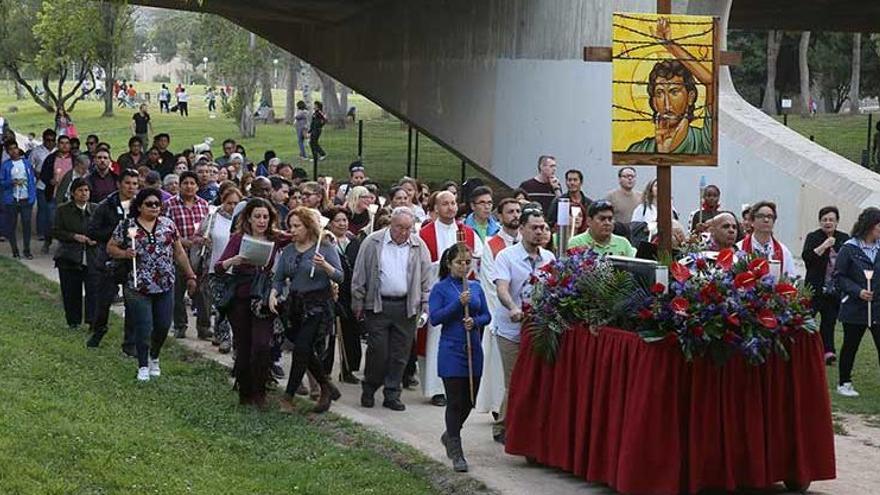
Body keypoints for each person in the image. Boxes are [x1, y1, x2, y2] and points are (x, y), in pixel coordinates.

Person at [107, 188, 198, 381]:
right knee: (144, 326)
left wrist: (190, 274)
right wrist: (125, 254)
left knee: (163, 325)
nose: (155, 207)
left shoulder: (168, 225)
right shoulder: (127, 226)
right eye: (149, 204)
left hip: (165, 283)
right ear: (139, 206)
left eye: (158, 204)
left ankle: (154, 356)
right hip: (138, 285)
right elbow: (111, 247)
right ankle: (142, 364)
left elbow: (179, 252)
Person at [352, 207, 432, 411]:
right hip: (378, 305)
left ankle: (392, 393)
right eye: (399, 227)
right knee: (378, 351)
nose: (403, 232)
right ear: (390, 224)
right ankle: (369, 388)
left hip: (406, 306)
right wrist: (358, 301)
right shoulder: (373, 242)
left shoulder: (418, 245)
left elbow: (426, 279)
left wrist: (424, 305)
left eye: (408, 228)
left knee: (400, 354)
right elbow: (360, 273)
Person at [492, 205, 555, 443]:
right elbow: (502, 288)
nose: (539, 233)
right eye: (534, 228)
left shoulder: (549, 257)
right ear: (521, 229)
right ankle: (504, 427)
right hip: (510, 329)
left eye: (543, 228)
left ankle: (519, 425)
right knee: (515, 379)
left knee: (529, 378)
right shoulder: (506, 256)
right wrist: (513, 308)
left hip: (537, 328)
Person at [271, 207, 345, 413]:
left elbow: (340, 276)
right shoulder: (289, 250)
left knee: (302, 348)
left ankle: (288, 396)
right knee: (304, 349)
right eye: (291, 226)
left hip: (317, 304)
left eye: (297, 226)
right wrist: (273, 293)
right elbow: (278, 278)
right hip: (294, 304)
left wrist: (326, 267)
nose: (293, 230)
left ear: (308, 226)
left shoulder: (325, 246)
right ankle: (326, 386)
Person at [214, 198, 285, 407]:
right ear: (249, 218)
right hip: (241, 296)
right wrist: (233, 261)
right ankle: (245, 392)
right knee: (243, 346)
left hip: (262, 297)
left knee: (262, 344)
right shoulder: (238, 238)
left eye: (265, 217)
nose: (262, 221)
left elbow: (299, 236)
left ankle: (260, 390)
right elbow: (219, 266)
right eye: (257, 217)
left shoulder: (275, 238)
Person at [430, 243, 491, 473]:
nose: (464, 267)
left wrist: (474, 321)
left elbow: (487, 315)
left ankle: (450, 433)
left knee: (470, 399)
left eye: (468, 262)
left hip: (473, 348)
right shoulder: (441, 289)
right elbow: (435, 317)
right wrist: (458, 305)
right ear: (449, 263)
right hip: (451, 350)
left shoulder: (476, 287)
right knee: (455, 400)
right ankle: (457, 449)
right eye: (459, 263)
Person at [419, 191, 483, 406]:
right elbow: (422, 263)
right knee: (436, 340)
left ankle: (461, 383)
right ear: (436, 208)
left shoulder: (469, 233)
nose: (450, 207)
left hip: (463, 288)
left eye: (454, 203)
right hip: (438, 291)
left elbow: (479, 262)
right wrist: (442, 265)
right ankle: (436, 389)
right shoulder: (425, 233)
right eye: (445, 204)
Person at [626, 18, 713, 154]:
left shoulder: (703, 142)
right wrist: (663, 152)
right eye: (659, 94)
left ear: (690, 97)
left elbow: (711, 82)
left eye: (674, 92)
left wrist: (670, 45)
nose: (667, 105)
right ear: (654, 102)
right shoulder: (638, 150)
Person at [86, 169, 139, 350]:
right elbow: (92, 230)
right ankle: (99, 329)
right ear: (119, 184)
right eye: (127, 183)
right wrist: (116, 235)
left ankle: (130, 342)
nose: (131, 187)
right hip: (109, 259)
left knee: (132, 302)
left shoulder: (140, 205)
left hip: (131, 261)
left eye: (134, 184)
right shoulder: (106, 205)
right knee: (104, 300)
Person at [834, 207, 880, 398]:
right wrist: (857, 291)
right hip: (854, 308)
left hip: (877, 308)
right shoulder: (849, 248)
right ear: (869, 226)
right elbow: (839, 277)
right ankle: (844, 383)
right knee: (850, 345)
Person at [164, 171, 212, 339]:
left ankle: (204, 327)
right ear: (179, 185)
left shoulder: (204, 205)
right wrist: (182, 242)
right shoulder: (170, 204)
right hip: (177, 253)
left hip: (199, 255)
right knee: (177, 291)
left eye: (193, 183)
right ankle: (179, 325)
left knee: (203, 291)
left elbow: (208, 228)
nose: (189, 186)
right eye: (186, 183)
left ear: (197, 186)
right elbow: (165, 229)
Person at [803, 206, 850, 365]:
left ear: (837, 222)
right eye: (824, 219)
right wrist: (823, 246)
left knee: (829, 322)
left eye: (831, 219)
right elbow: (807, 258)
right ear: (820, 222)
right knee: (807, 320)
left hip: (834, 290)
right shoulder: (813, 237)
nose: (828, 222)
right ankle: (804, 351)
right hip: (815, 288)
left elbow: (849, 261)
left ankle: (827, 352)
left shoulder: (844, 238)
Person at [51, 178, 97, 330]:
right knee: (71, 291)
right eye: (80, 190)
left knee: (93, 291)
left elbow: (103, 229)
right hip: (68, 256)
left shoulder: (96, 209)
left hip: (91, 257)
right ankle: (73, 322)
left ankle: (92, 321)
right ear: (73, 193)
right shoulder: (62, 210)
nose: (84, 194)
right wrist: (73, 236)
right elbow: (55, 231)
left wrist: (95, 239)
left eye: (86, 190)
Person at [326, 206, 363, 383]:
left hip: (350, 291)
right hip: (332, 291)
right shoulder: (326, 243)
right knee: (330, 332)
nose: (342, 224)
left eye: (345, 220)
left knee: (351, 331)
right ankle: (324, 369)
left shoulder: (354, 242)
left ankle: (348, 369)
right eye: (338, 220)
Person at [736, 201, 795, 276]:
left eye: (770, 217)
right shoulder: (739, 248)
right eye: (761, 216)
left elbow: (790, 279)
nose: (766, 220)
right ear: (752, 222)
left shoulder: (784, 252)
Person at [1, 141, 37, 259]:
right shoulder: (5, 165)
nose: (13, 151)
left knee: (26, 224)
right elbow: (1, 182)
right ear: (7, 152)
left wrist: (32, 195)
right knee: (12, 225)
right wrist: (11, 182)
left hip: (26, 198)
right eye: (10, 149)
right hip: (12, 199)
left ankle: (27, 249)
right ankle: (15, 249)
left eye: (15, 148)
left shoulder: (26, 163)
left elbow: (31, 178)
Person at [39, 135, 75, 253]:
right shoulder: (51, 158)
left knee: (68, 223)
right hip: (54, 195)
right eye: (62, 143)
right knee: (51, 221)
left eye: (67, 143)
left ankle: (63, 245)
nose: (64, 145)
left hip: (69, 197)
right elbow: (43, 174)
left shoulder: (74, 159)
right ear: (57, 145)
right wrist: (50, 180)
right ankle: (47, 241)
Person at [569, 200, 637, 256]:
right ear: (589, 221)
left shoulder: (623, 243)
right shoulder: (576, 243)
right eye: (602, 219)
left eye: (610, 219)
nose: (607, 223)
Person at [31, 129, 56, 243]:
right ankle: (41, 232)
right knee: (43, 208)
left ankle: (52, 231)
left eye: (52, 140)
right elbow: (29, 165)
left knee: (54, 209)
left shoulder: (58, 152)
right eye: (48, 140)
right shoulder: (36, 151)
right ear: (44, 139)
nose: (50, 143)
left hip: (55, 184)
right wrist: (36, 174)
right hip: (41, 183)